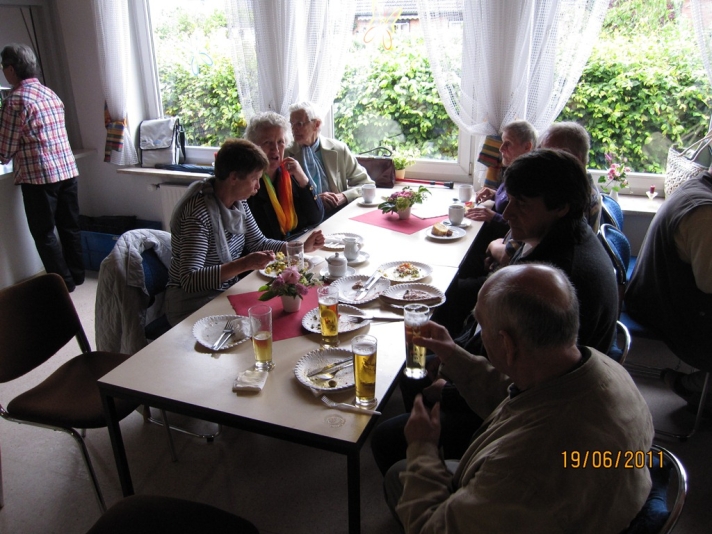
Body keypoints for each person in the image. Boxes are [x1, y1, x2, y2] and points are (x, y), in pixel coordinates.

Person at [372, 149, 619, 474]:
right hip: (517, 375)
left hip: (541, 411)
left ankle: (452, 473)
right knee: (414, 369)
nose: (506, 210)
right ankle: (439, 446)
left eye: (522, 203)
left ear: (560, 207)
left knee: (386, 437)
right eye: (510, 198)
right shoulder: (554, 241)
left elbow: (532, 384)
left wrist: (453, 393)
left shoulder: (555, 277)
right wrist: (454, 351)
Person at [384, 264, 654, 534]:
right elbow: (520, 401)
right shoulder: (601, 368)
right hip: (592, 496)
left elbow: (432, 530)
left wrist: (423, 448)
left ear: (507, 346)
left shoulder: (525, 470)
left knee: (401, 471)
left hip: (538, 502)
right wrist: (455, 357)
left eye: (482, 325)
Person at [164, 138, 324, 326]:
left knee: (274, 319)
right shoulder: (198, 214)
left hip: (223, 291)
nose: (258, 186)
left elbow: (259, 243)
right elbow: (191, 280)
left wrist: (298, 248)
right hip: (191, 305)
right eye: (255, 179)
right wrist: (244, 264)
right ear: (233, 178)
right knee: (263, 326)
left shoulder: (239, 203)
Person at [0, 43, 84, 292]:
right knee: (69, 226)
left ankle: (62, 285)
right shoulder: (50, 93)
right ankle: (77, 276)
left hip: (39, 178)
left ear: (12, 70)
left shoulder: (14, 101)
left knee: (45, 233)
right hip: (67, 171)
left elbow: (4, 151)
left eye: (4, 68)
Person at [626, 169, 712, 412]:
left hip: (658, 296)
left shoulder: (698, 187)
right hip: (670, 312)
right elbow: (710, 284)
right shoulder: (705, 213)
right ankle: (690, 385)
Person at [244, 111, 324, 241]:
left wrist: (303, 179)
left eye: (280, 142)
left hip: (299, 249)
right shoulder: (249, 185)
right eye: (267, 142)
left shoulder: (290, 174)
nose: (275, 149)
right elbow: (260, 240)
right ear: (254, 146)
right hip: (273, 256)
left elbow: (316, 217)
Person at [286, 101, 373, 215]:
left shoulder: (338, 149)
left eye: (300, 124)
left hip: (338, 214)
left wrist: (344, 196)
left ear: (316, 124)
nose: (294, 129)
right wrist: (315, 201)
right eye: (292, 123)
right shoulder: (286, 154)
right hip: (305, 219)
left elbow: (366, 184)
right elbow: (284, 198)